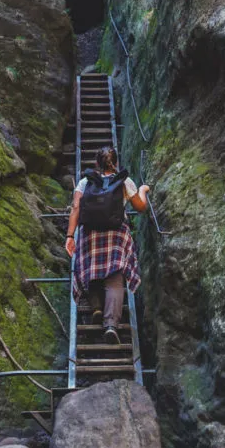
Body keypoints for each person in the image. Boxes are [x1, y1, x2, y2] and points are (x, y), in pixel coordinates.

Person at [65, 146, 150, 343]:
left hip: (90, 234)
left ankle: (96, 307)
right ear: (116, 162)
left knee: (92, 271)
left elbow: (76, 208)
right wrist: (143, 189)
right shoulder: (124, 181)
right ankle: (111, 325)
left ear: (97, 163)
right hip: (116, 235)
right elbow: (141, 207)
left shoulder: (85, 182)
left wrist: (70, 236)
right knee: (114, 279)